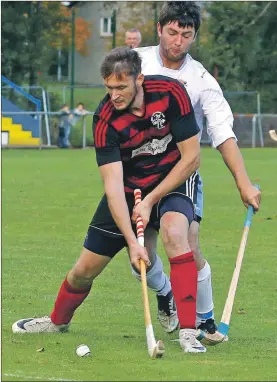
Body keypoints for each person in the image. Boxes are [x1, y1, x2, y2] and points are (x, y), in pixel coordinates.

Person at [12, 47, 207, 353]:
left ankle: (188, 332)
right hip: (130, 190)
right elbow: (114, 188)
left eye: (121, 87)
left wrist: (152, 199)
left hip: (173, 181)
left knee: (174, 233)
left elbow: (192, 158)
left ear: (139, 79)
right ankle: (56, 321)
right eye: (108, 88)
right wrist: (132, 241)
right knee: (84, 269)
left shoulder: (171, 93)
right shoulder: (104, 119)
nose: (114, 95)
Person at [132, 1, 261, 338]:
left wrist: (243, 183)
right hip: (138, 174)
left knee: (186, 240)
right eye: (172, 32)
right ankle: (166, 293)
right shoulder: (136, 63)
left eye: (185, 35)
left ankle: (203, 319)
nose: (177, 41)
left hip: (181, 172)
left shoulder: (202, 80)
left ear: (194, 37)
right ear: (159, 29)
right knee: (140, 256)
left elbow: (223, 133)